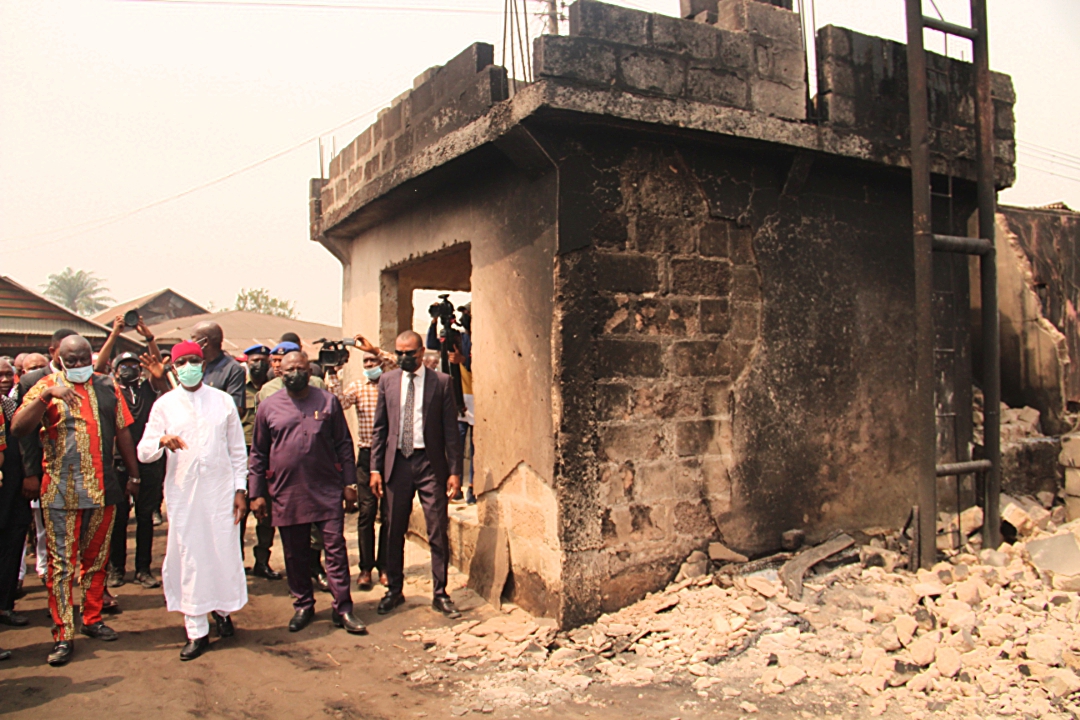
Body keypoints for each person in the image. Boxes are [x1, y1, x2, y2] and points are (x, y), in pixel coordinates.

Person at [11, 334, 140, 666]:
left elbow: (123, 431)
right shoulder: (44, 386)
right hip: (60, 493)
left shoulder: (108, 386)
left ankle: (92, 618)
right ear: (60, 359)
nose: (80, 365)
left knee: (96, 560)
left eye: (84, 359)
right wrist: (46, 397)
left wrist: (134, 475)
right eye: (73, 361)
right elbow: (18, 428)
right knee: (62, 567)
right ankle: (63, 633)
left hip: (103, 489)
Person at [136, 340, 248, 661]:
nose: (187, 367)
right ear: (173, 368)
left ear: (203, 364)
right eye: (181, 362)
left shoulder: (223, 401)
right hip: (184, 495)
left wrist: (240, 490)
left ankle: (223, 612)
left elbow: (237, 450)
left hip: (220, 492)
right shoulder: (165, 405)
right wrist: (161, 440)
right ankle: (196, 629)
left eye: (193, 361)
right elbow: (143, 451)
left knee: (222, 552)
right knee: (190, 557)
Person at [248, 350, 365, 634]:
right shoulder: (268, 406)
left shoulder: (327, 401)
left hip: (326, 489)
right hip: (287, 492)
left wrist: (349, 484)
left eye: (300, 369)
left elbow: (344, 444)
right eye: (289, 370)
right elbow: (258, 453)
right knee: (295, 553)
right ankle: (303, 604)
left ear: (310, 372)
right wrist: (256, 493)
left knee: (335, 550)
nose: (295, 374)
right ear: (280, 373)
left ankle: (343, 608)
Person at [370, 330, 464, 619]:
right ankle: (394, 589)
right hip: (397, 463)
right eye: (399, 353)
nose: (403, 358)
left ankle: (440, 593)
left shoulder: (441, 382)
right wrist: (375, 468)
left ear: (421, 352)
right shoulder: (387, 381)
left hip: (429, 465)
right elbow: (380, 429)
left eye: (409, 353)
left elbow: (451, 431)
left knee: (437, 530)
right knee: (394, 529)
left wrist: (455, 471)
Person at [95, 316, 169, 589]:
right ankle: (116, 569)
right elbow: (98, 368)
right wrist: (114, 333)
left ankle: (143, 569)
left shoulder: (148, 389)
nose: (129, 369)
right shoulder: (108, 390)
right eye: (123, 366)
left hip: (149, 461)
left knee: (146, 517)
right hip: (118, 463)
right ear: (115, 371)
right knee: (118, 519)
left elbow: (159, 370)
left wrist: (149, 338)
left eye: (133, 366)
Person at [326, 335, 396, 591]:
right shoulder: (358, 387)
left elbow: (396, 361)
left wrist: (374, 349)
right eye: (365, 362)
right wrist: (332, 373)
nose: (368, 365)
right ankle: (366, 568)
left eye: (372, 361)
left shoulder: (392, 383)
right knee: (366, 512)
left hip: (391, 454)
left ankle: (385, 566)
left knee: (388, 513)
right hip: (367, 454)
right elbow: (338, 402)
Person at [239, 344, 281, 580]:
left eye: (264, 361)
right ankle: (236, 563)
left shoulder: (274, 389)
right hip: (244, 454)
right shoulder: (238, 388)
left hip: (269, 455)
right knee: (240, 510)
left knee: (267, 513)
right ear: (247, 362)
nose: (259, 365)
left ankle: (262, 561)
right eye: (255, 360)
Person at [0, 358, 31, 640]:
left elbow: (23, 441)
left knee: (12, 542)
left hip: (13, 485)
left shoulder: (11, 407)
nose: (4, 380)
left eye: (7, 375)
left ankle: (6, 605)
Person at [190, 322, 246, 415]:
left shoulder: (232, 369)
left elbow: (236, 409)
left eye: (193, 338)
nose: (191, 343)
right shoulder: (193, 365)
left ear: (205, 342)